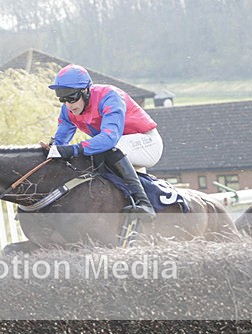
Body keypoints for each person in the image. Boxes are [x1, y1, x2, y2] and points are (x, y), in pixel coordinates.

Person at [46, 64, 164, 222]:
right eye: (63, 99)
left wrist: (72, 150)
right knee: (91, 157)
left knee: (105, 149)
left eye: (72, 97)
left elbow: (109, 139)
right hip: (121, 150)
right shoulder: (68, 110)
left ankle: (145, 204)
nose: (68, 104)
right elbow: (60, 142)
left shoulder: (110, 96)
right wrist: (52, 149)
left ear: (86, 91)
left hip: (146, 143)